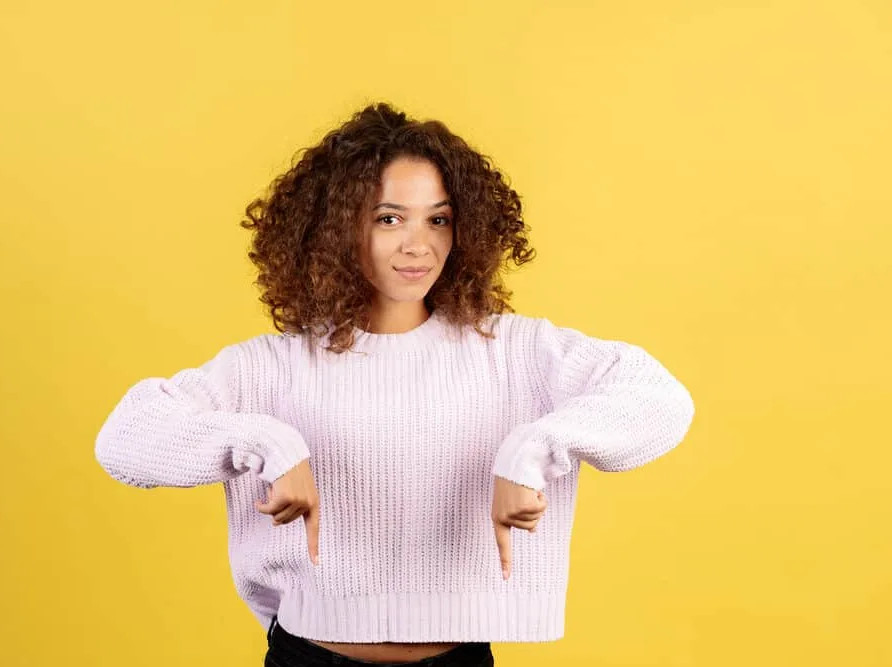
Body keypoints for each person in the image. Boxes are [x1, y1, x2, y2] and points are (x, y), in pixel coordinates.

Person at [94, 102, 696, 667]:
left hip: (458, 659)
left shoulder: (514, 352)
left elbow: (658, 398)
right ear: (333, 230)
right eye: (389, 219)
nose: (419, 244)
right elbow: (126, 439)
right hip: (311, 657)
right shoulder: (271, 367)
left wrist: (533, 450)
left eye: (439, 219)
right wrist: (268, 444)